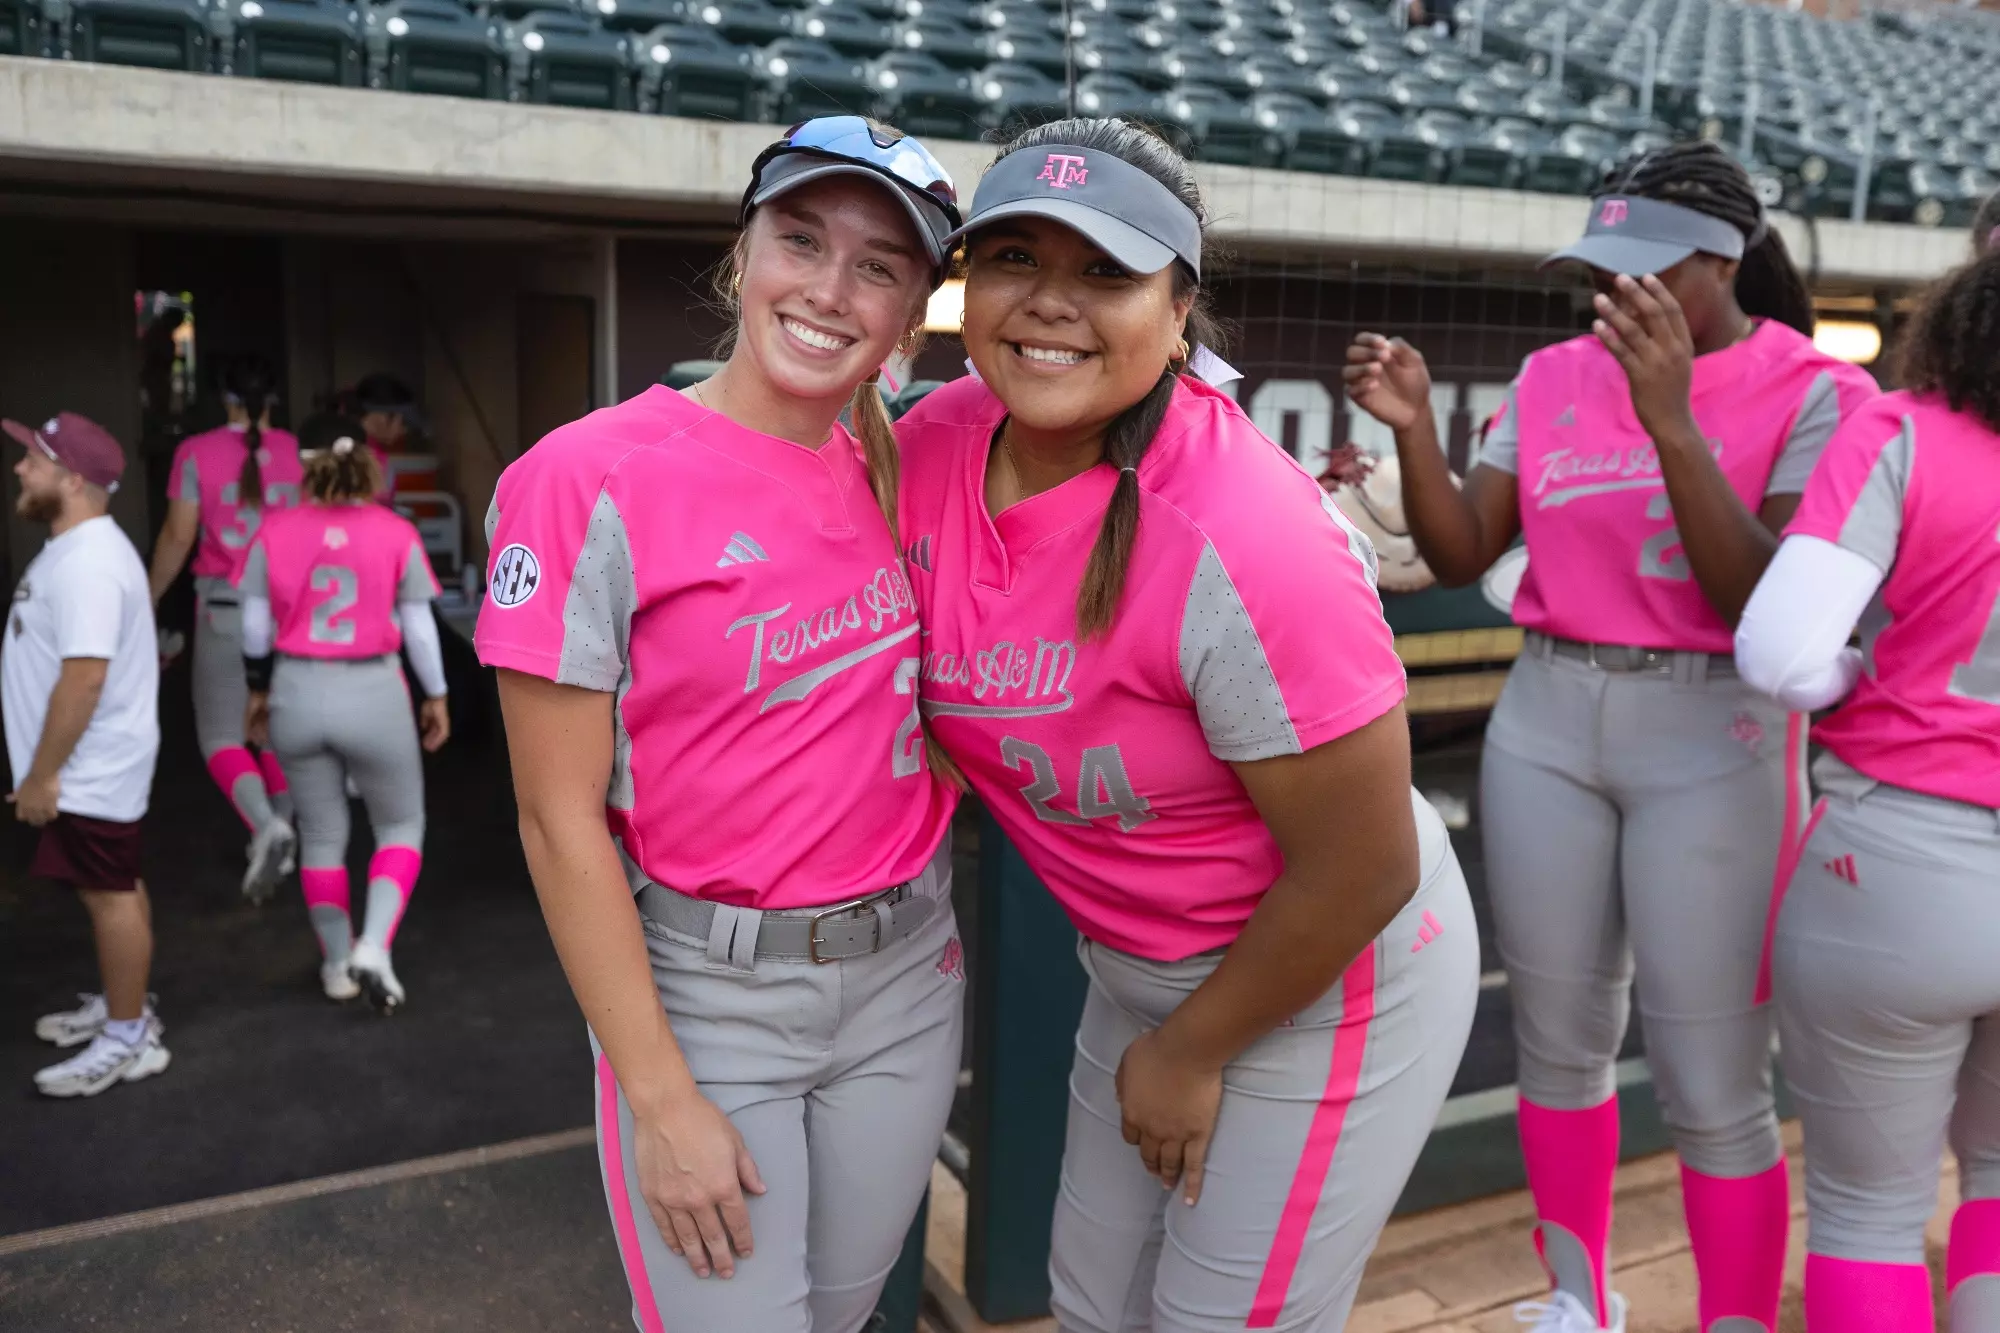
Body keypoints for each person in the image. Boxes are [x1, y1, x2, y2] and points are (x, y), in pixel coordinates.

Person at [897, 117, 1479, 1333]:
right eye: (1013, 260)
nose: (1050, 303)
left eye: (1105, 271)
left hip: (1331, 977)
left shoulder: (1246, 532)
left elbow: (1360, 864)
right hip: (1138, 972)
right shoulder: (930, 442)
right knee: (1089, 1302)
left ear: (1177, 312)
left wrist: (1189, 1053)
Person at [1344, 140, 1881, 1333]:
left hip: (1715, 731)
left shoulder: (1819, 389)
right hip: (1543, 715)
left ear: (1720, 258)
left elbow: (1761, 603)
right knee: (1556, 1042)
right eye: (1598, 264)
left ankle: (1731, 1318)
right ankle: (1575, 1301)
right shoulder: (1548, 377)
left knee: (1710, 1078)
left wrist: (1670, 421)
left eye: (1642, 267)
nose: (1611, 290)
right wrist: (1414, 429)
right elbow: (1458, 553)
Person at [478, 117, 964, 1333]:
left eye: (879, 266)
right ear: (740, 254)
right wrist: (657, 1094)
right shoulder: (586, 474)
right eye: (799, 240)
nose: (828, 289)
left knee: (841, 1314)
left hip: (909, 972)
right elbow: (554, 818)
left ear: (913, 313)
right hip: (708, 995)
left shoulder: (900, 455)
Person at [1735, 247, 2000, 1331]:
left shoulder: (1900, 428)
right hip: (1926, 863)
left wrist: (1857, 676)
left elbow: (1779, 654)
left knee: (1866, 1215)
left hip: (1903, 863)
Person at [238, 415, 448, 1012]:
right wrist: (436, 696)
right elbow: (419, 631)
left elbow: (253, 629)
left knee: (323, 836)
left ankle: (336, 965)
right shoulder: (394, 530)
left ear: (308, 466)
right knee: (401, 826)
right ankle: (374, 947)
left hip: (297, 691)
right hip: (374, 691)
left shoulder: (274, 529)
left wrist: (257, 692)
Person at [5, 413, 169, 1097]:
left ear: (72, 478)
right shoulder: (74, 548)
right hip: (84, 767)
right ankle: (125, 1002)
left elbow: (85, 676)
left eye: (34, 460)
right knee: (113, 886)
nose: (20, 469)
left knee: (110, 895)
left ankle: (129, 1036)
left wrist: (43, 773)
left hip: (88, 769)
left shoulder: (92, 562)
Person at [148, 357, 303, 901]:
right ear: (273, 397)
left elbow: (176, 534)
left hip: (225, 608)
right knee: (277, 730)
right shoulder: (293, 451)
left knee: (221, 735)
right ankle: (282, 831)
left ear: (223, 397)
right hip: (289, 611)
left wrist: (146, 598)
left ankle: (266, 826)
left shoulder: (196, 452)